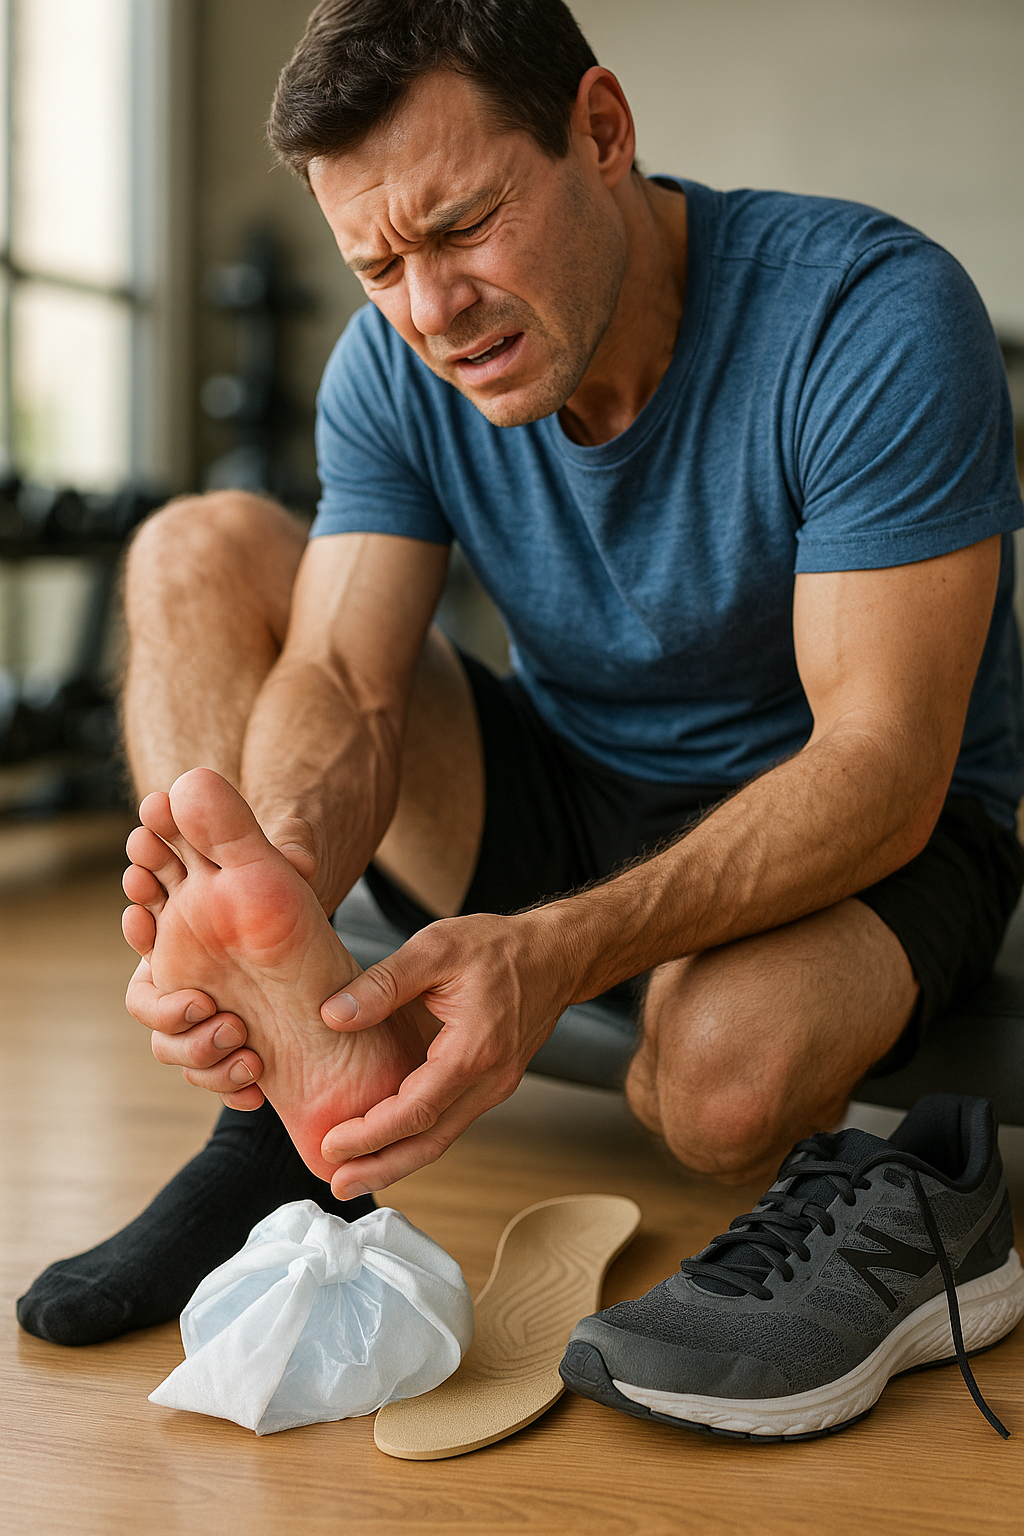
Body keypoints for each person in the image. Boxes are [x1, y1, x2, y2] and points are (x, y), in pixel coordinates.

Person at [19, 0, 1024, 1346]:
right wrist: (282, 888)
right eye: (377, 263)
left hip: (866, 824)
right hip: (572, 774)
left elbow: (882, 770)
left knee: (719, 1093)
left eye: (461, 225)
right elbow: (348, 678)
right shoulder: (393, 360)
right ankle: (283, 1129)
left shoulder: (869, 314)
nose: (431, 310)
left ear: (600, 131)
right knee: (198, 548)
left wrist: (552, 952)